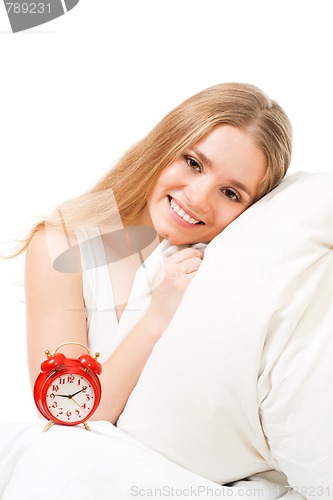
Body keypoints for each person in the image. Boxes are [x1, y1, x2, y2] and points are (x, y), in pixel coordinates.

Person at [7, 82, 292, 425]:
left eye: (230, 193)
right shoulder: (60, 247)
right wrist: (157, 318)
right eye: (193, 163)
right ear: (163, 145)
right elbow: (68, 411)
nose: (199, 198)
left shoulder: (228, 269)